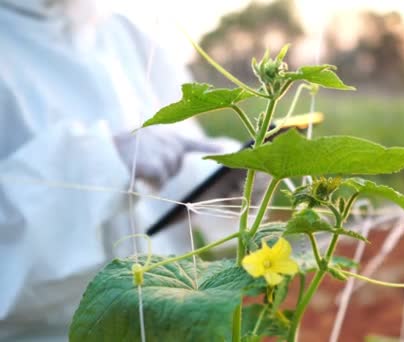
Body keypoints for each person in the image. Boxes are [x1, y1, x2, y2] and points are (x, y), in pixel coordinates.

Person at [0, 0, 238, 340]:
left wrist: (228, 176)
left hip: (168, 319)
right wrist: (100, 162)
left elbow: (179, 158)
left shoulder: (122, 33)